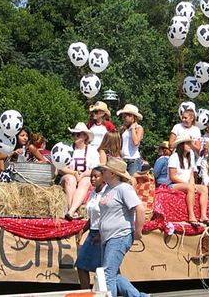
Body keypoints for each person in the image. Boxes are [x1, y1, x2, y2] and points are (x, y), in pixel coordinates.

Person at [98, 157, 146, 297]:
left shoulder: (124, 188)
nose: (103, 171)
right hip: (108, 237)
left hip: (119, 235)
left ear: (112, 173)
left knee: (108, 274)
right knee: (113, 273)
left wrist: (138, 232)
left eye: (105, 170)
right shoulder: (108, 188)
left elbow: (140, 209)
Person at [168, 135, 209, 227]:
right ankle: (191, 215)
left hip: (186, 184)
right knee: (190, 187)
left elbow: (191, 175)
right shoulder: (174, 157)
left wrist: (192, 184)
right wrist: (188, 185)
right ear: (181, 145)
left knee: (204, 189)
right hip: (174, 184)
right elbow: (172, 177)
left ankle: (203, 215)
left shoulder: (189, 157)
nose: (190, 145)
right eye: (187, 143)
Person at [61, 123, 99, 221]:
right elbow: (61, 167)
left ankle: (71, 211)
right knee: (70, 179)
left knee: (86, 181)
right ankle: (71, 209)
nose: (75, 136)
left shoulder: (92, 150)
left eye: (77, 134)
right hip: (69, 176)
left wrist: (83, 174)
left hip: (85, 176)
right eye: (73, 134)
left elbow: (96, 169)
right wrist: (73, 173)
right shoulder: (67, 148)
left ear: (85, 136)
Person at [75, 167, 105, 289]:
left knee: (106, 270)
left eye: (96, 176)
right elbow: (93, 216)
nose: (92, 179)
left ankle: (134, 293)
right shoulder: (93, 193)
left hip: (102, 233)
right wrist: (83, 229)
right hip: (92, 231)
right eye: (91, 176)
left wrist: (101, 233)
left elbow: (108, 215)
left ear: (103, 178)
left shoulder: (107, 193)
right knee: (81, 265)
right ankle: (85, 293)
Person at [117, 104, 144, 176]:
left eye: (129, 115)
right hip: (123, 159)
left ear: (134, 117)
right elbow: (119, 144)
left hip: (134, 160)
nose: (126, 117)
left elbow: (136, 142)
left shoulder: (139, 128)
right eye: (124, 115)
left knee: (132, 180)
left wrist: (132, 129)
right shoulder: (122, 129)